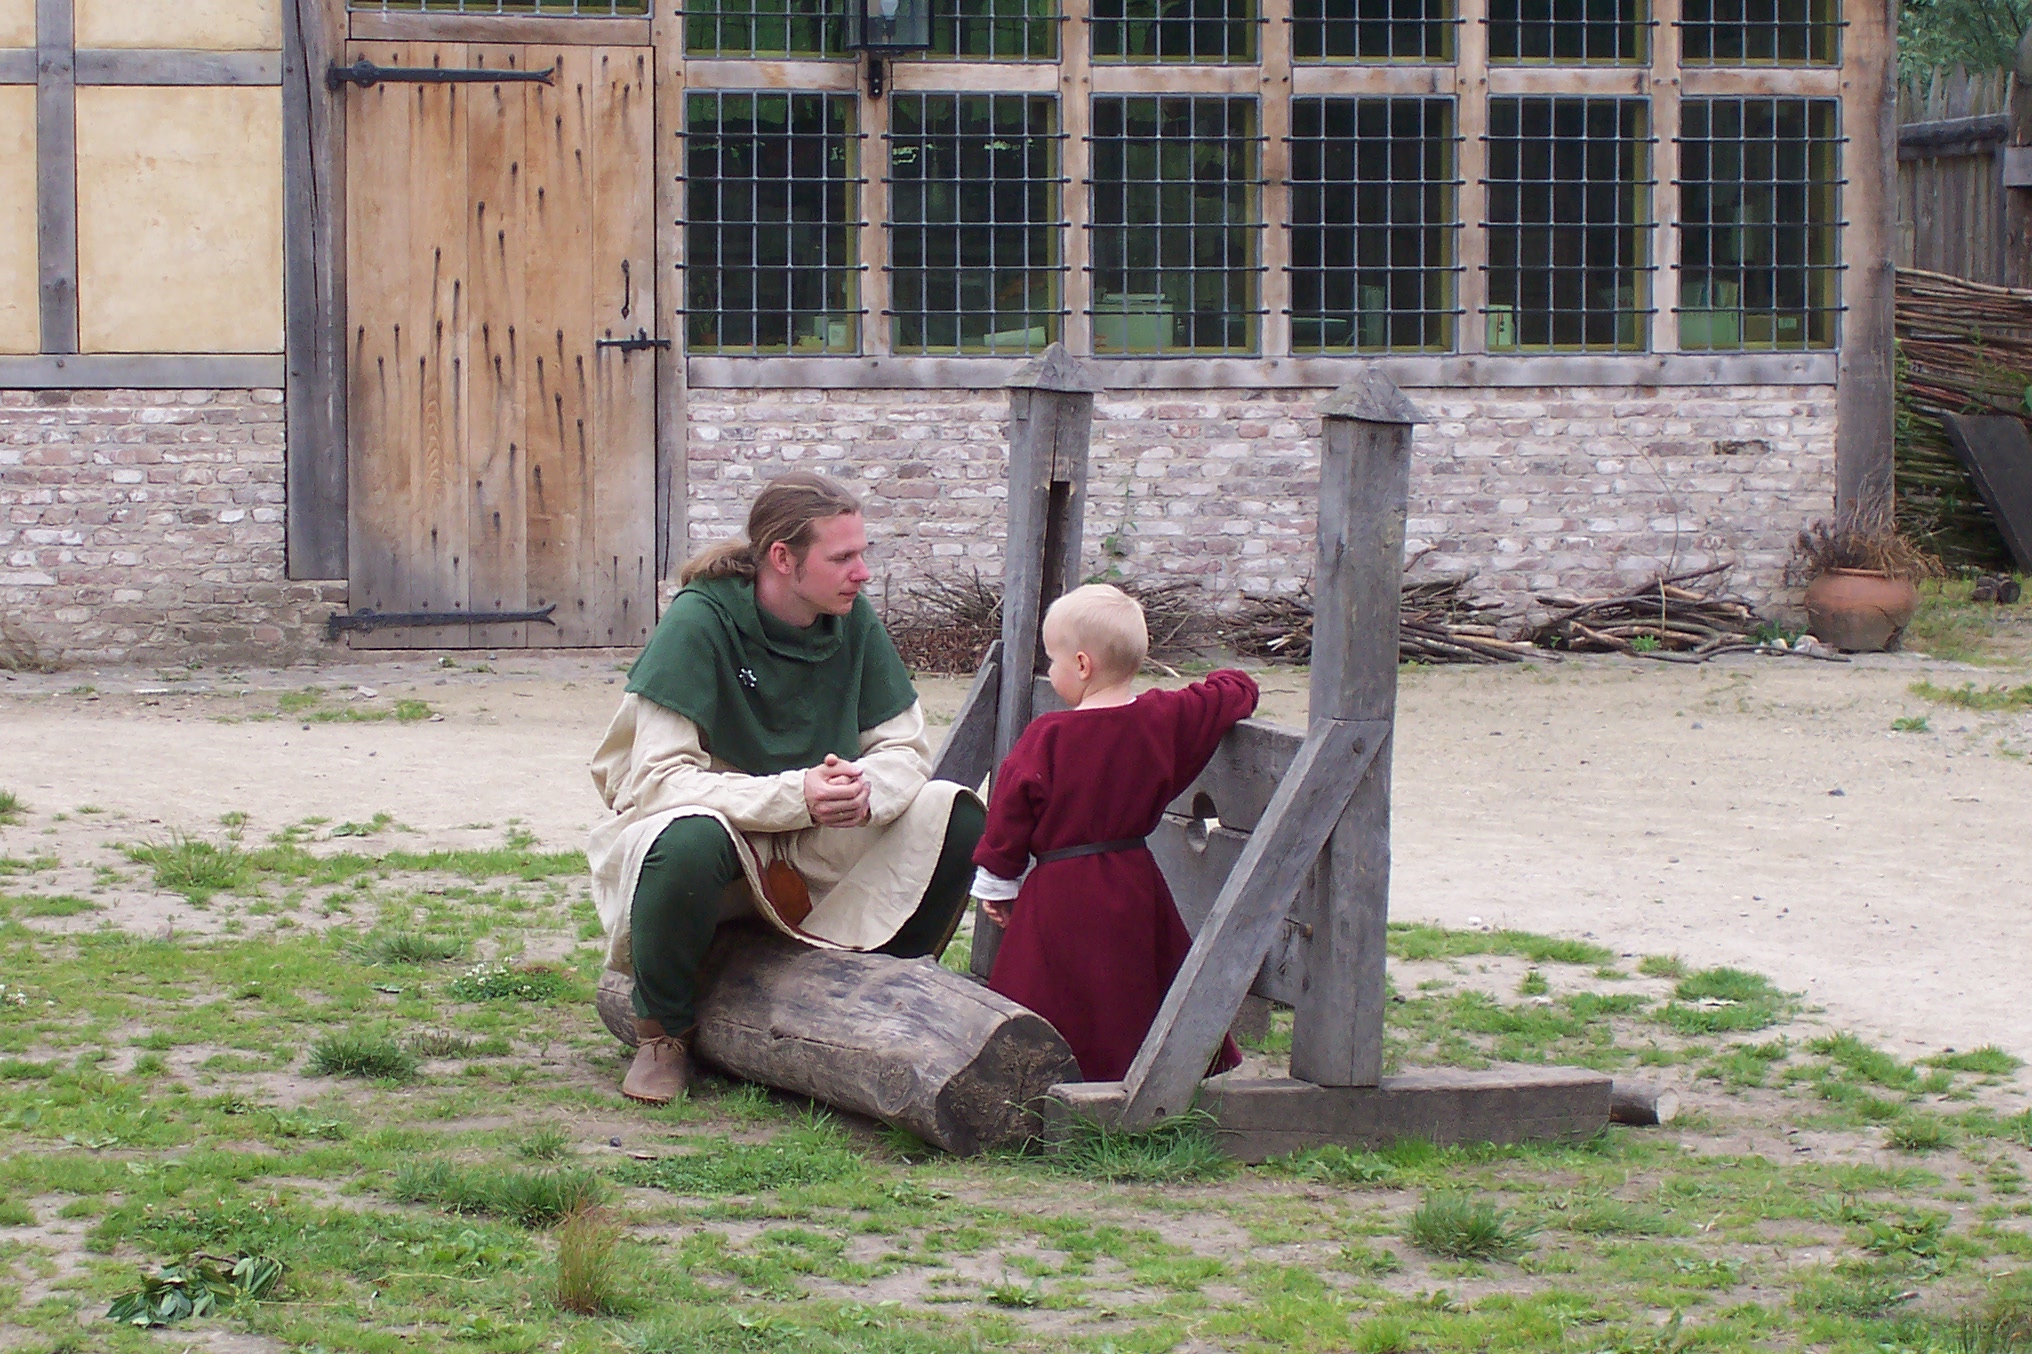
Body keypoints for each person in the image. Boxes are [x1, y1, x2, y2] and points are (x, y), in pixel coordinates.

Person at [588, 472, 985, 1105]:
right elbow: (656, 782)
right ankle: (662, 1033)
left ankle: (888, 992)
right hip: (728, 842)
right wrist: (794, 795)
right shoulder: (701, 620)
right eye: (842, 557)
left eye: (862, 554)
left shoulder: (850, 617)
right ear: (782, 558)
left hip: (817, 837)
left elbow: (905, 751)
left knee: (955, 812)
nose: (862, 573)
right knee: (686, 838)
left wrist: (863, 791)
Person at [970, 583, 1259, 1082]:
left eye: (1052, 660)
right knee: (1129, 985)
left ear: (1082, 665)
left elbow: (1010, 813)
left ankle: (1042, 1080)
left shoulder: (1051, 736)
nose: (1050, 671)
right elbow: (1233, 692)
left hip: (1060, 890)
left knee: (1050, 986)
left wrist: (999, 882)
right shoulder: (1163, 718)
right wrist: (1229, 677)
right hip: (1132, 879)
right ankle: (1144, 1074)